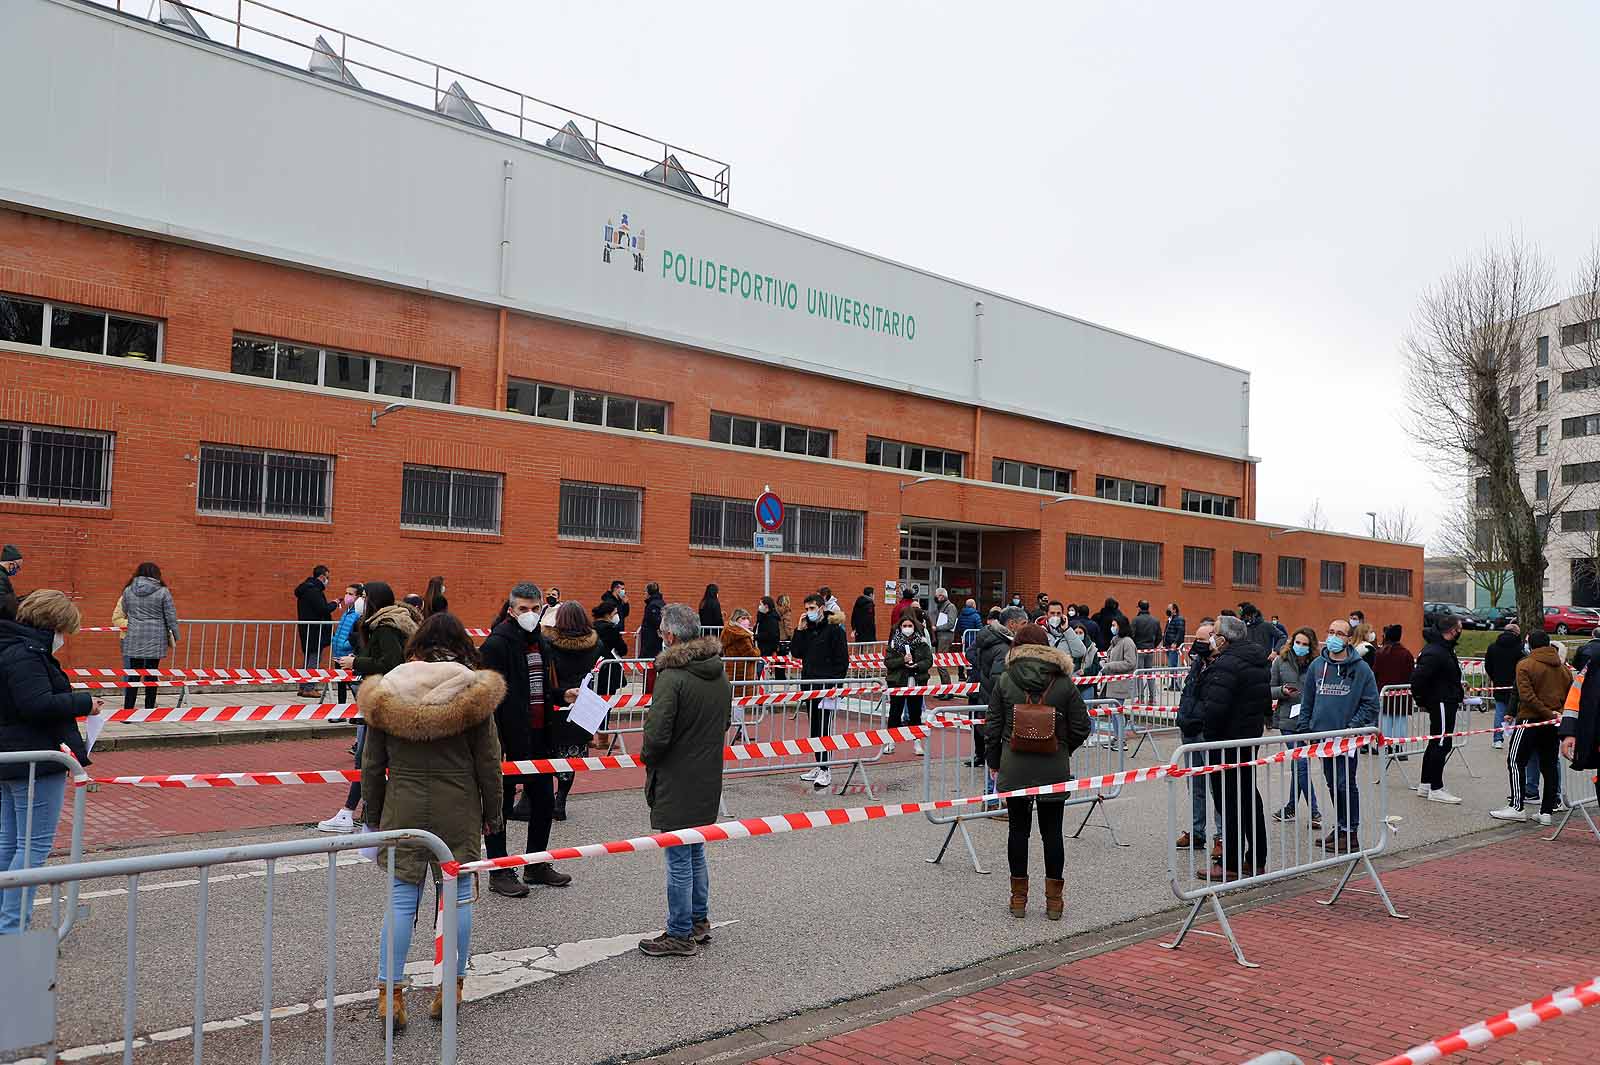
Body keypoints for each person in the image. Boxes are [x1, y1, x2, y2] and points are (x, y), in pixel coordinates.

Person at [360, 611, 503, 1027]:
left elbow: (371, 763)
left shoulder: (388, 687)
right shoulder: (473, 690)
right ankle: (449, 989)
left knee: (402, 899)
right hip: (457, 804)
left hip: (402, 803)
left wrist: (374, 811)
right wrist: (493, 812)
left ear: (416, 644)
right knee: (455, 898)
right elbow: (488, 761)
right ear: (462, 645)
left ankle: (390, 995)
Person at [0, 590, 99, 933]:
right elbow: (36, 704)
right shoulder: (27, 654)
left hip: (13, 756)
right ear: (54, 624)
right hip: (36, 760)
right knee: (32, 847)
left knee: (10, 843)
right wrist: (83, 703)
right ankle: (12, 930)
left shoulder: (9, 646)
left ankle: (6, 923)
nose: (63, 639)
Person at [638, 604, 731, 957]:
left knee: (679, 857)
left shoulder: (673, 677)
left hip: (677, 777)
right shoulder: (718, 674)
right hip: (707, 777)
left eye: (662, 633)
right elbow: (723, 724)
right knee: (695, 853)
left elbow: (657, 735)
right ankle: (698, 921)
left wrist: (649, 756)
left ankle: (679, 931)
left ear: (671, 636)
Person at [985, 624, 1091, 920]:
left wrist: (994, 762)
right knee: (1052, 833)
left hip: (1014, 765)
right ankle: (1054, 903)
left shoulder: (1005, 680)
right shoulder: (1063, 682)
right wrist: (1062, 748)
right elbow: (1083, 726)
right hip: (1053, 766)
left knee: (1018, 831)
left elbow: (992, 728)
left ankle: (1018, 899)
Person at [480, 583, 569, 897]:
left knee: (544, 801)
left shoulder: (541, 643)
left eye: (534, 609)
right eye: (523, 609)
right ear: (510, 610)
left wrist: (561, 695)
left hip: (538, 735)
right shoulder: (496, 645)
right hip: (506, 739)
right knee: (499, 806)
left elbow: (539, 687)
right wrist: (495, 741)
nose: (529, 614)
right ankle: (499, 869)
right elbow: (486, 696)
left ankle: (535, 863)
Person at [322, 582, 414, 833]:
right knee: (373, 758)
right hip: (387, 697)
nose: (359, 601)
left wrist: (356, 662)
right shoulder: (390, 622)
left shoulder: (385, 627)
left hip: (383, 699)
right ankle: (362, 811)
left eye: (363, 596)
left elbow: (390, 661)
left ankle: (353, 813)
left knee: (367, 758)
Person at [1293, 618, 1380, 851]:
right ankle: (1341, 827)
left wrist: (1353, 726)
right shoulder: (1317, 666)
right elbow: (1308, 700)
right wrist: (1305, 728)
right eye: (1330, 632)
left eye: (1339, 633)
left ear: (1349, 639)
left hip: (1347, 740)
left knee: (1345, 784)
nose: (1333, 637)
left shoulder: (1361, 669)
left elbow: (1371, 703)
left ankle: (1351, 833)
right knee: (1332, 784)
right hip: (1322, 738)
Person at [1197, 615, 1271, 879]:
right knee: (1249, 797)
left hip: (1226, 742)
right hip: (1248, 738)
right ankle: (1256, 858)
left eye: (1214, 633)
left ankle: (1230, 863)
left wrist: (1209, 735)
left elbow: (1215, 708)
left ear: (1224, 638)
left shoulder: (1226, 665)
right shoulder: (1258, 661)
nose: (1211, 638)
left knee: (1228, 803)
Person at [1493, 630, 1569, 825]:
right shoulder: (1563, 669)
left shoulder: (1525, 664)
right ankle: (1546, 811)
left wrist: (1546, 713)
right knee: (1549, 765)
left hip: (1529, 720)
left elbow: (1526, 696)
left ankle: (1517, 806)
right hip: (1552, 724)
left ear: (1531, 645)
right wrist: (1555, 713)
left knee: (1516, 761)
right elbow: (1569, 696)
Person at [543, 601, 602, 821]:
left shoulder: (549, 643)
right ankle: (561, 801)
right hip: (581, 705)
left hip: (556, 700)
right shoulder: (595, 644)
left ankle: (547, 800)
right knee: (571, 756)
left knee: (548, 756)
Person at [790, 593, 849, 788]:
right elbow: (797, 652)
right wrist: (799, 630)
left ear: (822, 608)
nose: (809, 612)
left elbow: (842, 661)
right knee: (814, 727)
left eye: (812, 608)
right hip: (809, 686)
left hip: (827, 687)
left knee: (824, 728)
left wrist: (834, 686)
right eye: (806, 609)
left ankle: (826, 768)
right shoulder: (808, 629)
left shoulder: (834, 630)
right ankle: (818, 764)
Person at [1410, 613, 1466, 804]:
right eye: (1459, 628)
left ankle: (1426, 784)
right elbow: (1418, 679)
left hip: (1446, 699)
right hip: (1441, 701)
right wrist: (1422, 700)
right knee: (1441, 743)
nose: (1461, 632)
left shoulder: (1444, 649)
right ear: (1452, 631)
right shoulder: (1435, 651)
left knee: (1436, 742)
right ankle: (1436, 787)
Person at [1270, 627, 1322, 831]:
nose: (1300, 647)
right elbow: (1269, 689)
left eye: (1305, 644)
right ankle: (1315, 811)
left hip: (1309, 721)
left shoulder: (1317, 664)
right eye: (1297, 643)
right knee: (1301, 764)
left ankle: (1291, 807)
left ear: (1311, 647)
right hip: (1288, 721)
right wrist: (1282, 691)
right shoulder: (1280, 662)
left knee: (1298, 765)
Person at [1174, 619, 1218, 852]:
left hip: (1206, 731)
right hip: (1189, 728)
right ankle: (1197, 831)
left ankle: (1220, 837)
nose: (1198, 645)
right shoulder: (1197, 664)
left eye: (1202, 640)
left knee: (1215, 785)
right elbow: (1188, 692)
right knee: (1195, 784)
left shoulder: (1220, 665)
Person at [971, 606, 1029, 769]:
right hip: (1001, 708)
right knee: (1001, 760)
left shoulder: (995, 641)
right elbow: (1000, 681)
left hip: (993, 703)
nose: (1027, 627)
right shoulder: (1004, 647)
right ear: (1012, 624)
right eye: (1024, 623)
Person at [119, 562, 180, 712]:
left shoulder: (128, 590)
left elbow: (125, 610)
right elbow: (170, 615)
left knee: (133, 674)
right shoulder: (163, 591)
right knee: (152, 673)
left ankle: (128, 709)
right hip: (156, 636)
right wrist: (176, 635)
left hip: (134, 635)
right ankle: (149, 709)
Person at [884, 604, 933, 756]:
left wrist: (917, 665)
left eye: (909, 625)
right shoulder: (894, 642)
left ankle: (917, 743)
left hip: (916, 681)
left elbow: (928, 660)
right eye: (904, 625)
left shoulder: (922, 642)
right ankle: (890, 742)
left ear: (915, 626)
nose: (907, 628)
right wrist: (902, 661)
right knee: (895, 713)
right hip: (898, 682)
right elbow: (888, 662)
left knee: (915, 714)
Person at [1373, 624, 1416, 759]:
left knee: (1385, 721)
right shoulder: (1406, 654)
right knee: (1400, 722)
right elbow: (1411, 674)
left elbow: (1375, 673)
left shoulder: (1381, 653)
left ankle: (1385, 746)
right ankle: (1399, 747)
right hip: (1402, 696)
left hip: (1384, 695)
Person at [294, 564, 338, 698]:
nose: (327, 580)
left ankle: (303, 687)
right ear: (321, 577)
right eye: (327, 577)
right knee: (314, 658)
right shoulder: (313, 591)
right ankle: (309, 687)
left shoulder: (306, 589)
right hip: (315, 630)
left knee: (308, 658)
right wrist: (334, 604)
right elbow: (322, 609)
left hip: (307, 629)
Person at [1484, 622, 1525, 750]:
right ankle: (1517, 738)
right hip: (1517, 684)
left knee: (1499, 712)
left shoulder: (1492, 647)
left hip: (1499, 684)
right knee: (1519, 713)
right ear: (1516, 633)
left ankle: (1497, 739)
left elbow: (1488, 666)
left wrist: (1495, 677)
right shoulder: (1521, 648)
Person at [330, 583, 366, 703]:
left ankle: (360, 712)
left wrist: (345, 645)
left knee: (353, 684)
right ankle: (341, 710)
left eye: (350, 594)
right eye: (346, 593)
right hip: (338, 653)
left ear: (358, 597)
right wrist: (335, 641)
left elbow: (356, 636)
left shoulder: (358, 614)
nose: (347, 596)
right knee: (341, 683)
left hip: (347, 655)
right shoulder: (347, 612)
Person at [593, 599, 630, 698]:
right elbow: (622, 649)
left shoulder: (591, 627)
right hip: (607, 671)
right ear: (607, 614)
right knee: (606, 701)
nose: (617, 616)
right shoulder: (611, 629)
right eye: (615, 613)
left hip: (593, 669)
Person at [720, 608, 761, 681]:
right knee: (742, 690)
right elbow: (751, 654)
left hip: (732, 669)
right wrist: (757, 650)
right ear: (736, 618)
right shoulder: (740, 636)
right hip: (743, 672)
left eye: (747, 618)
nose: (746, 621)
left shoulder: (729, 630)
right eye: (743, 618)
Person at [928, 588, 959, 684]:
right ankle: (945, 688)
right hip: (940, 637)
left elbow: (951, 624)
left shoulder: (950, 607)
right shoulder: (941, 607)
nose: (935, 598)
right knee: (939, 663)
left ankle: (947, 689)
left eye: (936, 596)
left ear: (941, 596)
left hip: (945, 638)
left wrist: (936, 628)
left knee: (941, 663)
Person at [638, 582, 666, 659]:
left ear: (649, 592)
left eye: (645, 591)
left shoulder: (653, 605)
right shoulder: (660, 602)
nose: (644, 594)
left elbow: (657, 622)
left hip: (651, 640)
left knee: (648, 661)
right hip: (654, 639)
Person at [754, 595, 781, 661]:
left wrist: (756, 636)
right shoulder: (762, 617)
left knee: (762, 669)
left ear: (766, 606)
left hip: (766, 649)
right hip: (759, 647)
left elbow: (771, 635)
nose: (759, 606)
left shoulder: (772, 619)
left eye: (760, 604)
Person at [1162, 602, 1187, 671]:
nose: (1167, 610)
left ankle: (1174, 681)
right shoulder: (1170, 619)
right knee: (1171, 665)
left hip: (1174, 646)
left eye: (1169, 609)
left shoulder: (1179, 619)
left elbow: (1180, 632)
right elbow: (1166, 631)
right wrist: (1164, 645)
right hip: (1168, 645)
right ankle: (1173, 681)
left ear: (1174, 610)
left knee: (1172, 665)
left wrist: (1175, 642)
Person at [0, 544, 21, 622]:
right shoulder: (1, 577)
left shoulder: (2, 576)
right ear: (11, 564)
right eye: (18, 567)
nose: (17, 570)